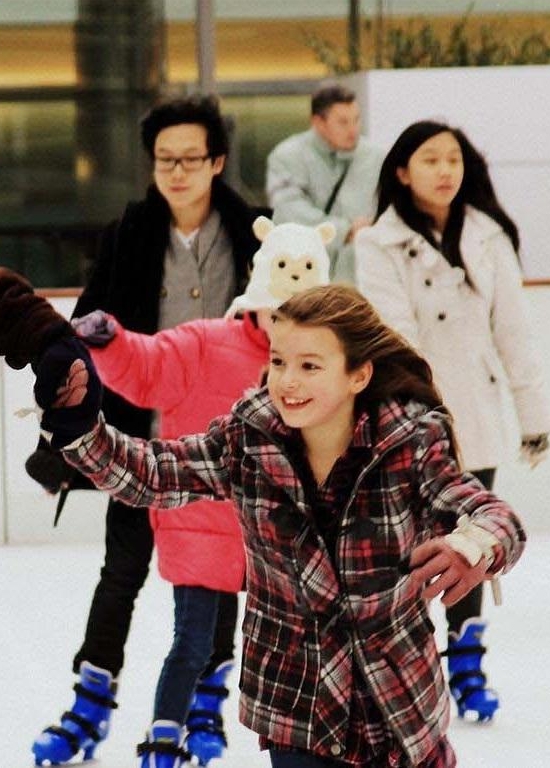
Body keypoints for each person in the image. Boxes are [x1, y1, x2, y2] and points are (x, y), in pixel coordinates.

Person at [28, 283, 526, 768]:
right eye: (279, 361)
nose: (287, 381)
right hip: (297, 706)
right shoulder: (251, 439)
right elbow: (154, 474)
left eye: (310, 366)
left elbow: (492, 513)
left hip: (394, 704)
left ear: (358, 375)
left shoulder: (407, 443)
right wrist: (81, 428)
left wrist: (475, 544)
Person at [26, 94, 264, 766]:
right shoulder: (130, 232)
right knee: (123, 568)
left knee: (218, 571)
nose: (177, 172)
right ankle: (91, 699)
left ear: (217, 161)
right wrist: (59, 438)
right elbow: (87, 330)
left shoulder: (255, 235)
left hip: (224, 442)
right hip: (140, 441)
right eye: (165, 160)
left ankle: (205, 700)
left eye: (190, 158)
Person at [69, 217, 332, 768]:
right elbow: (149, 363)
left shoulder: (323, 365)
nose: (283, 329)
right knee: (191, 640)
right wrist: (110, 340)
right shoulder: (210, 343)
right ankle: (164, 737)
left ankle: (243, 724)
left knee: (283, 648)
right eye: (275, 312)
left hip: (274, 538)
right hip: (201, 521)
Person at [354, 120, 550, 722]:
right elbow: (396, 336)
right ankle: (404, 667)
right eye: (430, 159)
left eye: (454, 159)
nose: (445, 170)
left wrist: (534, 415)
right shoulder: (378, 242)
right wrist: (422, 414)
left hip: (479, 416)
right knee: (409, 547)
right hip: (413, 420)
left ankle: (467, 660)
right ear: (402, 171)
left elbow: (513, 329)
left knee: (471, 542)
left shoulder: (489, 235)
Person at [265, 82, 385, 284]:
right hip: (305, 280)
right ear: (318, 122)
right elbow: (287, 211)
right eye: (343, 122)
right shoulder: (288, 156)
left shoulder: (377, 157)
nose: (353, 130)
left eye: (356, 120)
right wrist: (344, 231)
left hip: (362, 279)